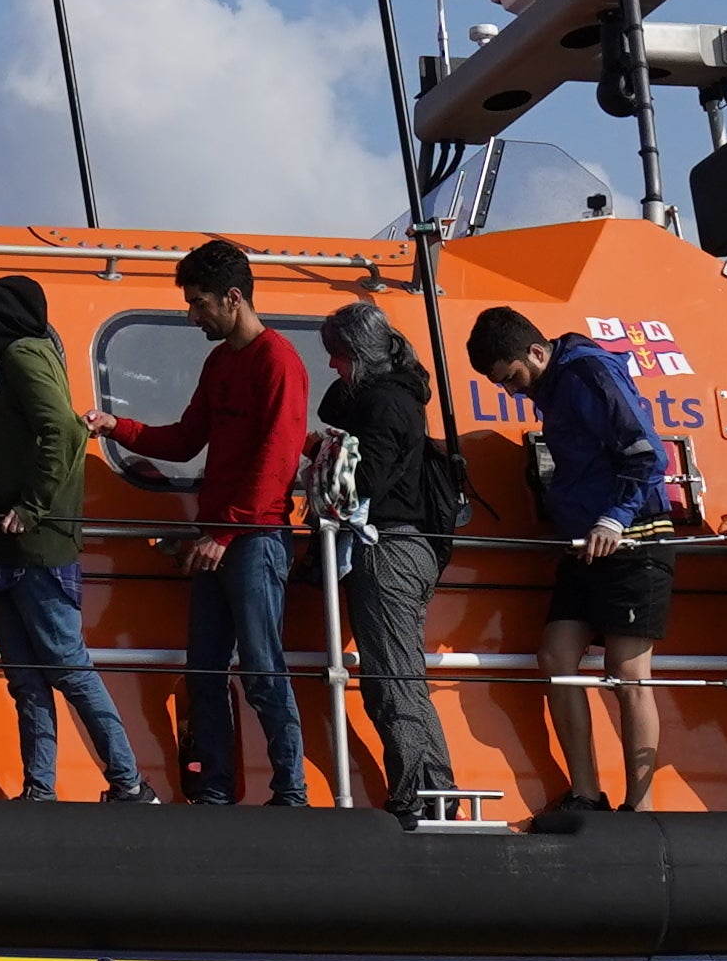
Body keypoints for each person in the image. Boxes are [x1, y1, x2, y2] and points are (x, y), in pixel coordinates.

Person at [106, 242, 315, 810]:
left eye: (198, 305)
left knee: (262, 670)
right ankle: (218, 790)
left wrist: (223, 534)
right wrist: (115, 426)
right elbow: (186, 437)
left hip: (253, 540)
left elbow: (278, 461)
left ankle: (290, 792)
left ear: (233, 298)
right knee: (204, 671)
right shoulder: (222, 363)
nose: (192, 316)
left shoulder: (279, 363)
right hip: (223, 539)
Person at [470, 303, 672, 820]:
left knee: (628, 672)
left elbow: (649, 454)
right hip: (585, 544)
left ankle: (642, 805)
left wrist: (615, 518)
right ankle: (586, 793)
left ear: (537, 352)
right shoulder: (557, 386)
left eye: (513, 378)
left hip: (632, 539)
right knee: (557, 658)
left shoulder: (589, 372)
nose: (513, 391)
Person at [0, 277, 147, 802]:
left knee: (66, 666)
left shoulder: (24, 355)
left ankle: (128, 781)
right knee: (27, 678)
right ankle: (40, 788)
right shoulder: (34, 354)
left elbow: (63, 430)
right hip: (8, 549)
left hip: (31, 549)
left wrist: (31, 505)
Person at [318, 300, 460, 819]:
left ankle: (422, 793)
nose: (332, 367)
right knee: (398, 675)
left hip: (387, 551)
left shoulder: (382, 406)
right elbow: (334, 408)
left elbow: (364, 483)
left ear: (357, 355)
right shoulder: (398, 398)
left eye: (338, 356)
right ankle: (434, 792)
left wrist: (320, 463)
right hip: (409, 549)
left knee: (392, 679)